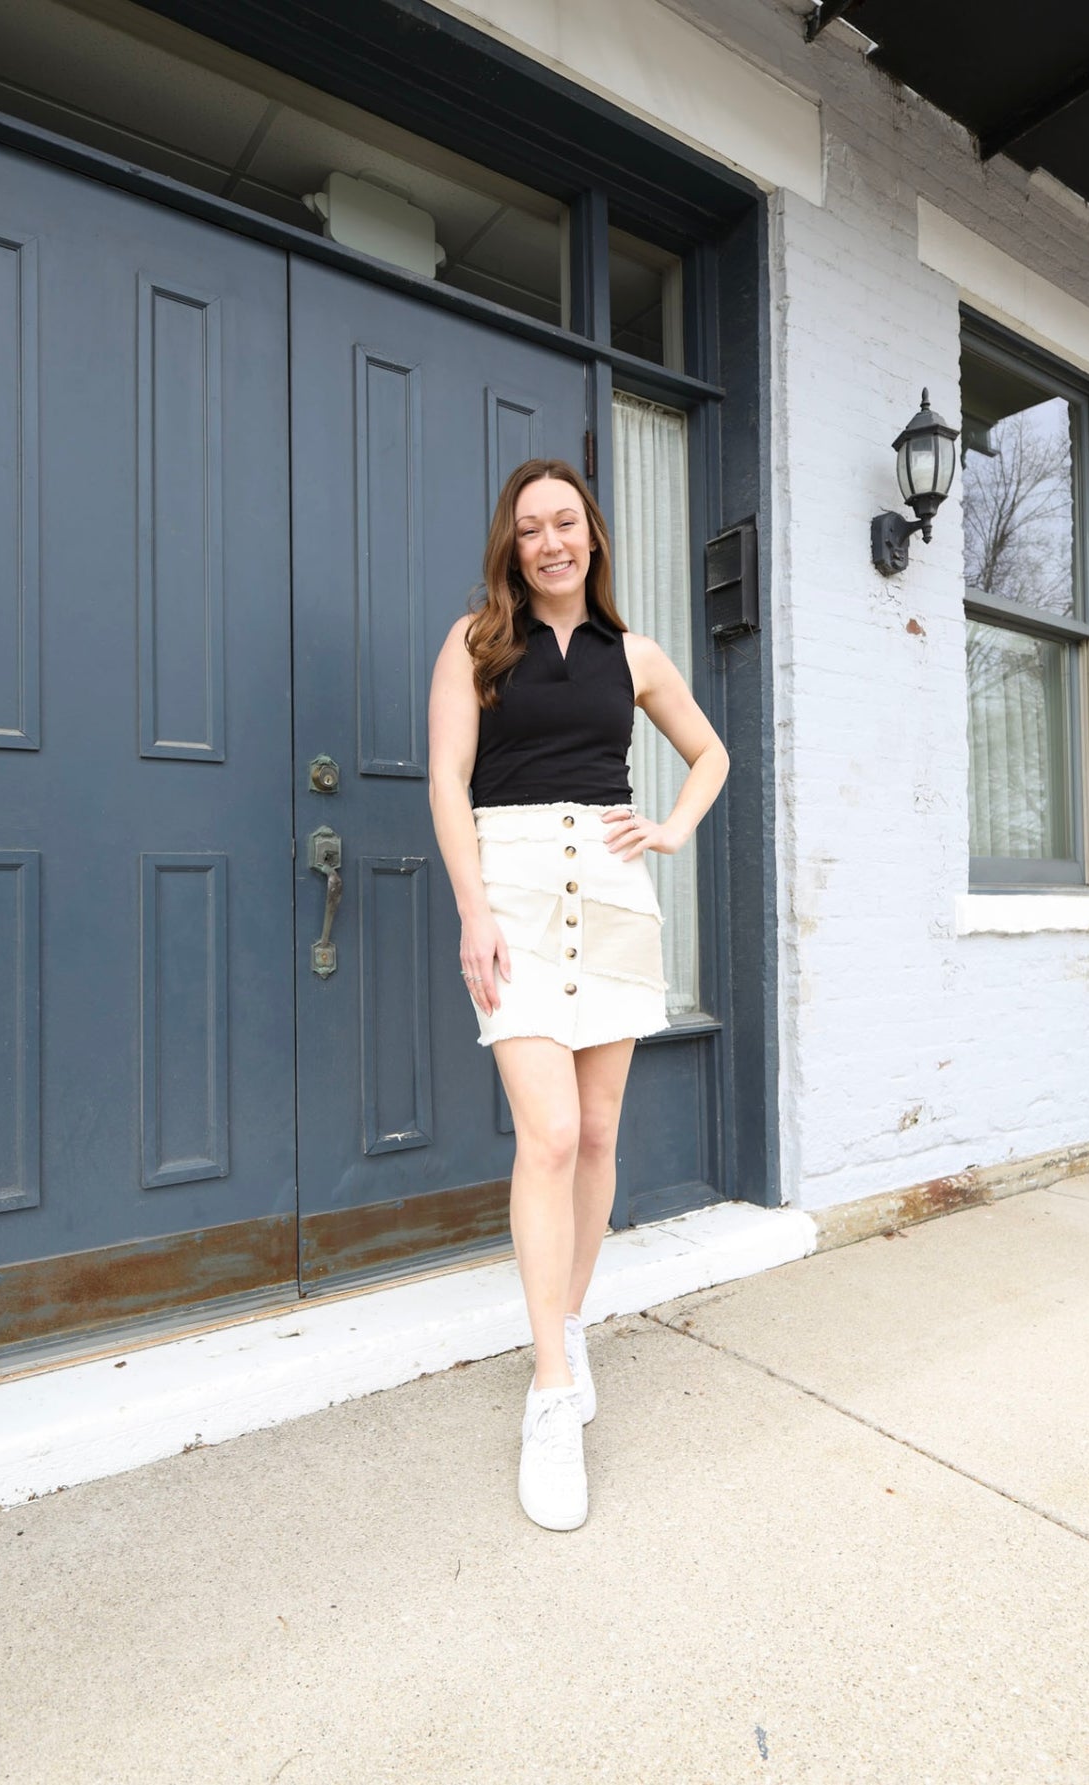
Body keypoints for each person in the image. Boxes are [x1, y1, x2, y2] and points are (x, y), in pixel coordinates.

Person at [427, 458, 728, 1531]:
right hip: (509, 896)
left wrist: (672, 827)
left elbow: (709, 752)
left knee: (598, 1134)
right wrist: (472, 910)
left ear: (593, 536)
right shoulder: (473, 645)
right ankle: (552, 1393)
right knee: (546, 1135)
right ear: (511, 547)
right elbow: (446, 783)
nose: (550, 541)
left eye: (566, 523)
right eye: (530, 529)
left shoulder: (634, 655)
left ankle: (566, 1321)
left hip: (611, 900)